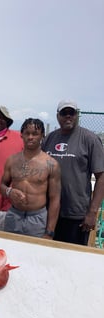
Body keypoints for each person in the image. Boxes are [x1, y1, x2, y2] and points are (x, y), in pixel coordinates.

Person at [42, 100, 104, 245]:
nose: (68, 116)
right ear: (58, 116)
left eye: (72, 113)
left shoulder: (90, 139)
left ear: (77, 115)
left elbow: (101, 177)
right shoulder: (50, 138)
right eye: (64, 113)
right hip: (48, 213)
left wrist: (92, 212)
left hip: (77, 215)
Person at [0, 118, 61, 238]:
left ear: (42, 136)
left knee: (35, 255)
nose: (30, 137)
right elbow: (1, 187)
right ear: (21, 135)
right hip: (14, 215)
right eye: (27, 133)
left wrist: (50, 231)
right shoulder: (12, 160)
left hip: (37, 218)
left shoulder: (51, 164)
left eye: (35, 134)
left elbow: (55, 199)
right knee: (10, 251)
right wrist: (10, 192)